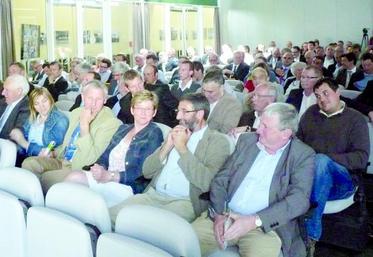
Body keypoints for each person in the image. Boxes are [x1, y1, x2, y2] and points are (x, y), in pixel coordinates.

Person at [192, 103, 315, 257]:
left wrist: (254, 221)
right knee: (183, 244)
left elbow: (299, 200)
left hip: (264, 228)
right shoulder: (247, 141)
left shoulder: (302, 155)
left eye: (265, 126)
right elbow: (221, 179)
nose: (259, 130)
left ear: (285, 133)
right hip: (226, 216)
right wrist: (218, 215)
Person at [109, 93, 231, 223]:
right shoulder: (175, 132)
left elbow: (207, 183)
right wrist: (167, 146)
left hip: (184, 202)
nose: (178, 116)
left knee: (149, 228)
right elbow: (147, 171)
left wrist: (182, 149)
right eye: (178, 111)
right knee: (110, 216)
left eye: (184, 112)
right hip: (153, 196)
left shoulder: (217, 141)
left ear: (200, 114)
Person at [297, 78, 369, 252]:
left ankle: (311, 236)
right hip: (311, 177)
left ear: (338, 93)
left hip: (343, 182)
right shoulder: (310, 114)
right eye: (317, 95)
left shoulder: (356, 119)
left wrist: (326, 159)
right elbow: (297, 145)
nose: (322, 99)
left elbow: (361, 158)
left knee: (321, 162)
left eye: (326, 93)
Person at [65, 90, 163, 207]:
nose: (143, 113)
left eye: (148, 109)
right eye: (139, 108)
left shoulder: (154, 133)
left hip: (126, 185)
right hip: (105, 176)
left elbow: (142, 171)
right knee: (74, 178)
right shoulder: (123, 129)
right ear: (132, 110)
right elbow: (105, 155)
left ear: (154, 112)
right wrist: (99, 167)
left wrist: (110, 176)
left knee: (83, 196)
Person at [22, 80, 121, 192]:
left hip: (79, 168)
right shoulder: (77, 112)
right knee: (29, 163)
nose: (93, 103)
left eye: (98, 99)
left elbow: (92, 159)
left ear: (105, 100)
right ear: (83, 98)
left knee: (44, 179)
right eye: (90, 98)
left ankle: (40, 202)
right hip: (62, 160)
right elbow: (68, 143)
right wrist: (53, 152)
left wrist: (84, 126)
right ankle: (32, 201)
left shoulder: (111, 123)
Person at [9, 88, 69, 165]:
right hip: (26, 153)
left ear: (50, 100)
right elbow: (22, 135)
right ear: (33, 106)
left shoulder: (60, 120)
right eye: (36, 104)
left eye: (44, 101)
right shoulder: (33, 117)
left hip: (43, 159)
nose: (42, 106)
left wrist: (25, 144)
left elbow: (50, 150)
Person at [202, 68, 242, 133]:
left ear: (221, 88)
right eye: (204, 90)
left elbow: (225, 132)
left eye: (210, 92)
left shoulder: (233, 105)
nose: (206, 95)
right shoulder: (199, 96)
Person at [0, 75, 30, 139]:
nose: (2, 93)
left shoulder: (27, 107)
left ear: (19, 91)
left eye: (7, 90)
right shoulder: (4, 101)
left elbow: (16, 135)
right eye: (3, 89)